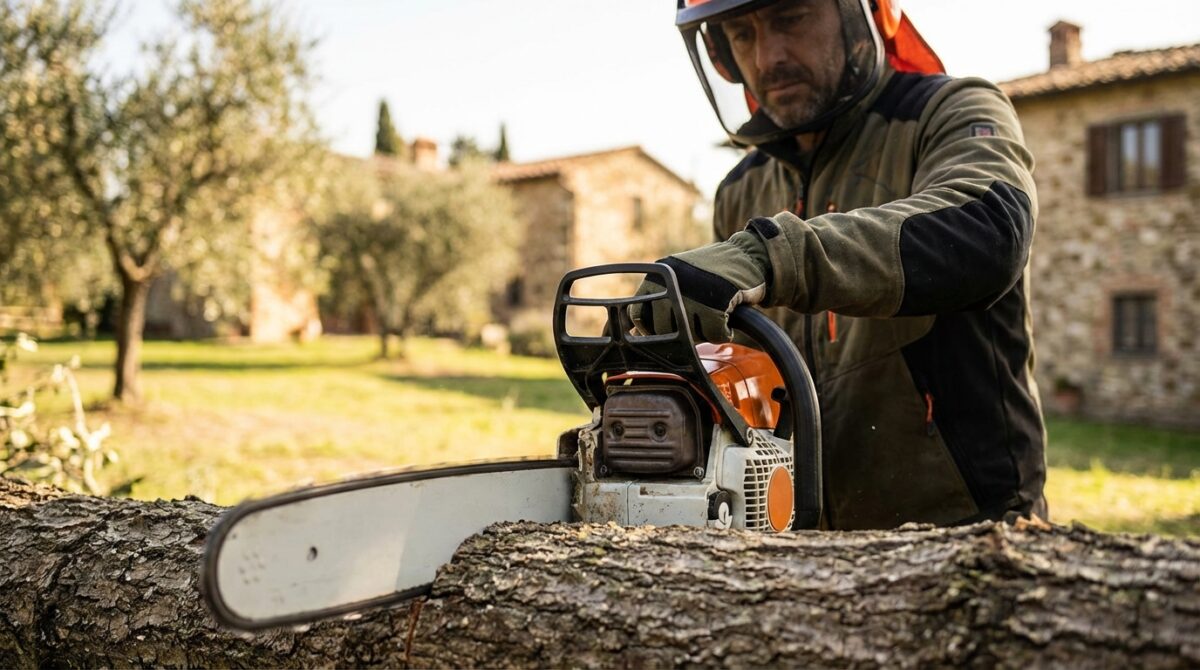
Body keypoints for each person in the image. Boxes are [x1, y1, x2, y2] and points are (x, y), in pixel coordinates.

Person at [634, 0, 1047, 529]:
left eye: (790, 18)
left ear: (860, 14)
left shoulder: (951, 110)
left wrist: (768, 256)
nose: (768, 57)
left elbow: (991, 226)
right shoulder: (740, 189)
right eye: (741, 34)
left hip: (968, 530)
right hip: (798, 540)